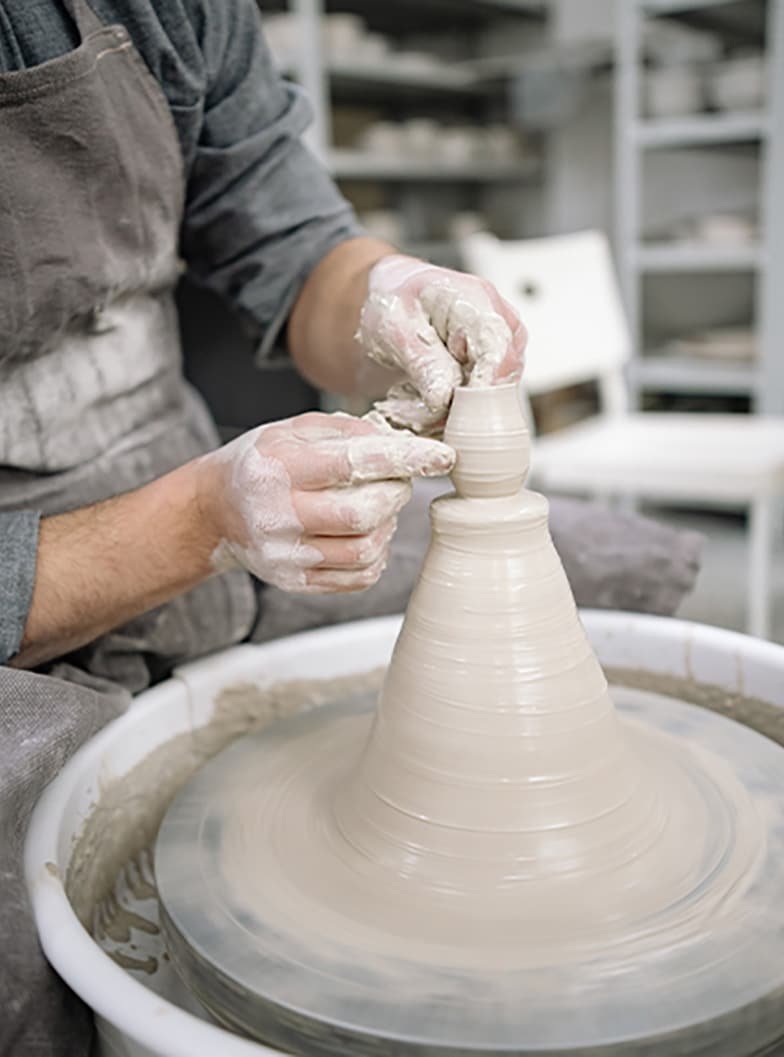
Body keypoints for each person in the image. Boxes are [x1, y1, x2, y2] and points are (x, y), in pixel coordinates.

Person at [0, 2, 527, 1054]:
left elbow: (294, 247)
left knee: (597, 563)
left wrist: (381, 293)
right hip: (49, 555)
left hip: (174, 457)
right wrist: (196, 522)